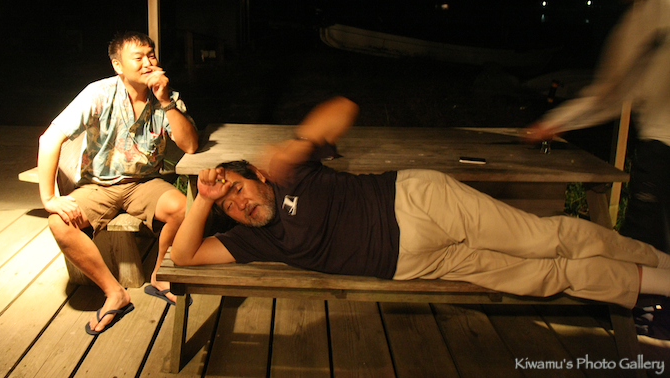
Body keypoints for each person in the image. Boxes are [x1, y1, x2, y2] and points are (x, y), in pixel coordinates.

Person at [172, 97, 670, 311]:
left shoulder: (289, 172)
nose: (238, 203)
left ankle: (659, 263)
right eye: (228, 205)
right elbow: (186, 256)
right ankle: (656, 285)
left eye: (236, 188)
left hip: (416, 204)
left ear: (257, 175)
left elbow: (345, 107)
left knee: (545, 239)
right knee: (543, 277)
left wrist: (296, 143)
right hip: (417, 263)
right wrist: (204, 198)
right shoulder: (255, 239)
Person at [38, 31, 198, 335]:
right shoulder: (98, 94)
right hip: (98, 186)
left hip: (145, 183)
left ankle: (160, 275)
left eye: (151, 55)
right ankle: (114, 292)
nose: (148, 63)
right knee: (58, 222)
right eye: (138, 57)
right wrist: (49, 198)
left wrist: (165, 101)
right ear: (118, 65)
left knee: (184, 208)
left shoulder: (167, 97)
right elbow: (49, 140)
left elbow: (190, 145)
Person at [526, 0, 670, 254]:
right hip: (657, 142)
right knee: (650, 239)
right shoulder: (643, 11)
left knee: (644, 242)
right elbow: (611, 92)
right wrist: (556, 122)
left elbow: (610, 91)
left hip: (662, 146)